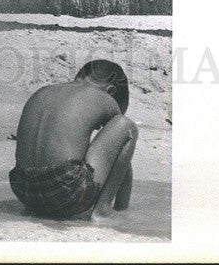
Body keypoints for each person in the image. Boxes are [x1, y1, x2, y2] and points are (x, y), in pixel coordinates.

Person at [9, 59, 137, 220]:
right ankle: (103, 211)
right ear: (110, 90)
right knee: (126, 125)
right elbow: (121, 153)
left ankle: (40, 208)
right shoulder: (104, 97)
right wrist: (122, 206)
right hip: (66, 193)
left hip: (23, 191)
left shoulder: (45, 90)